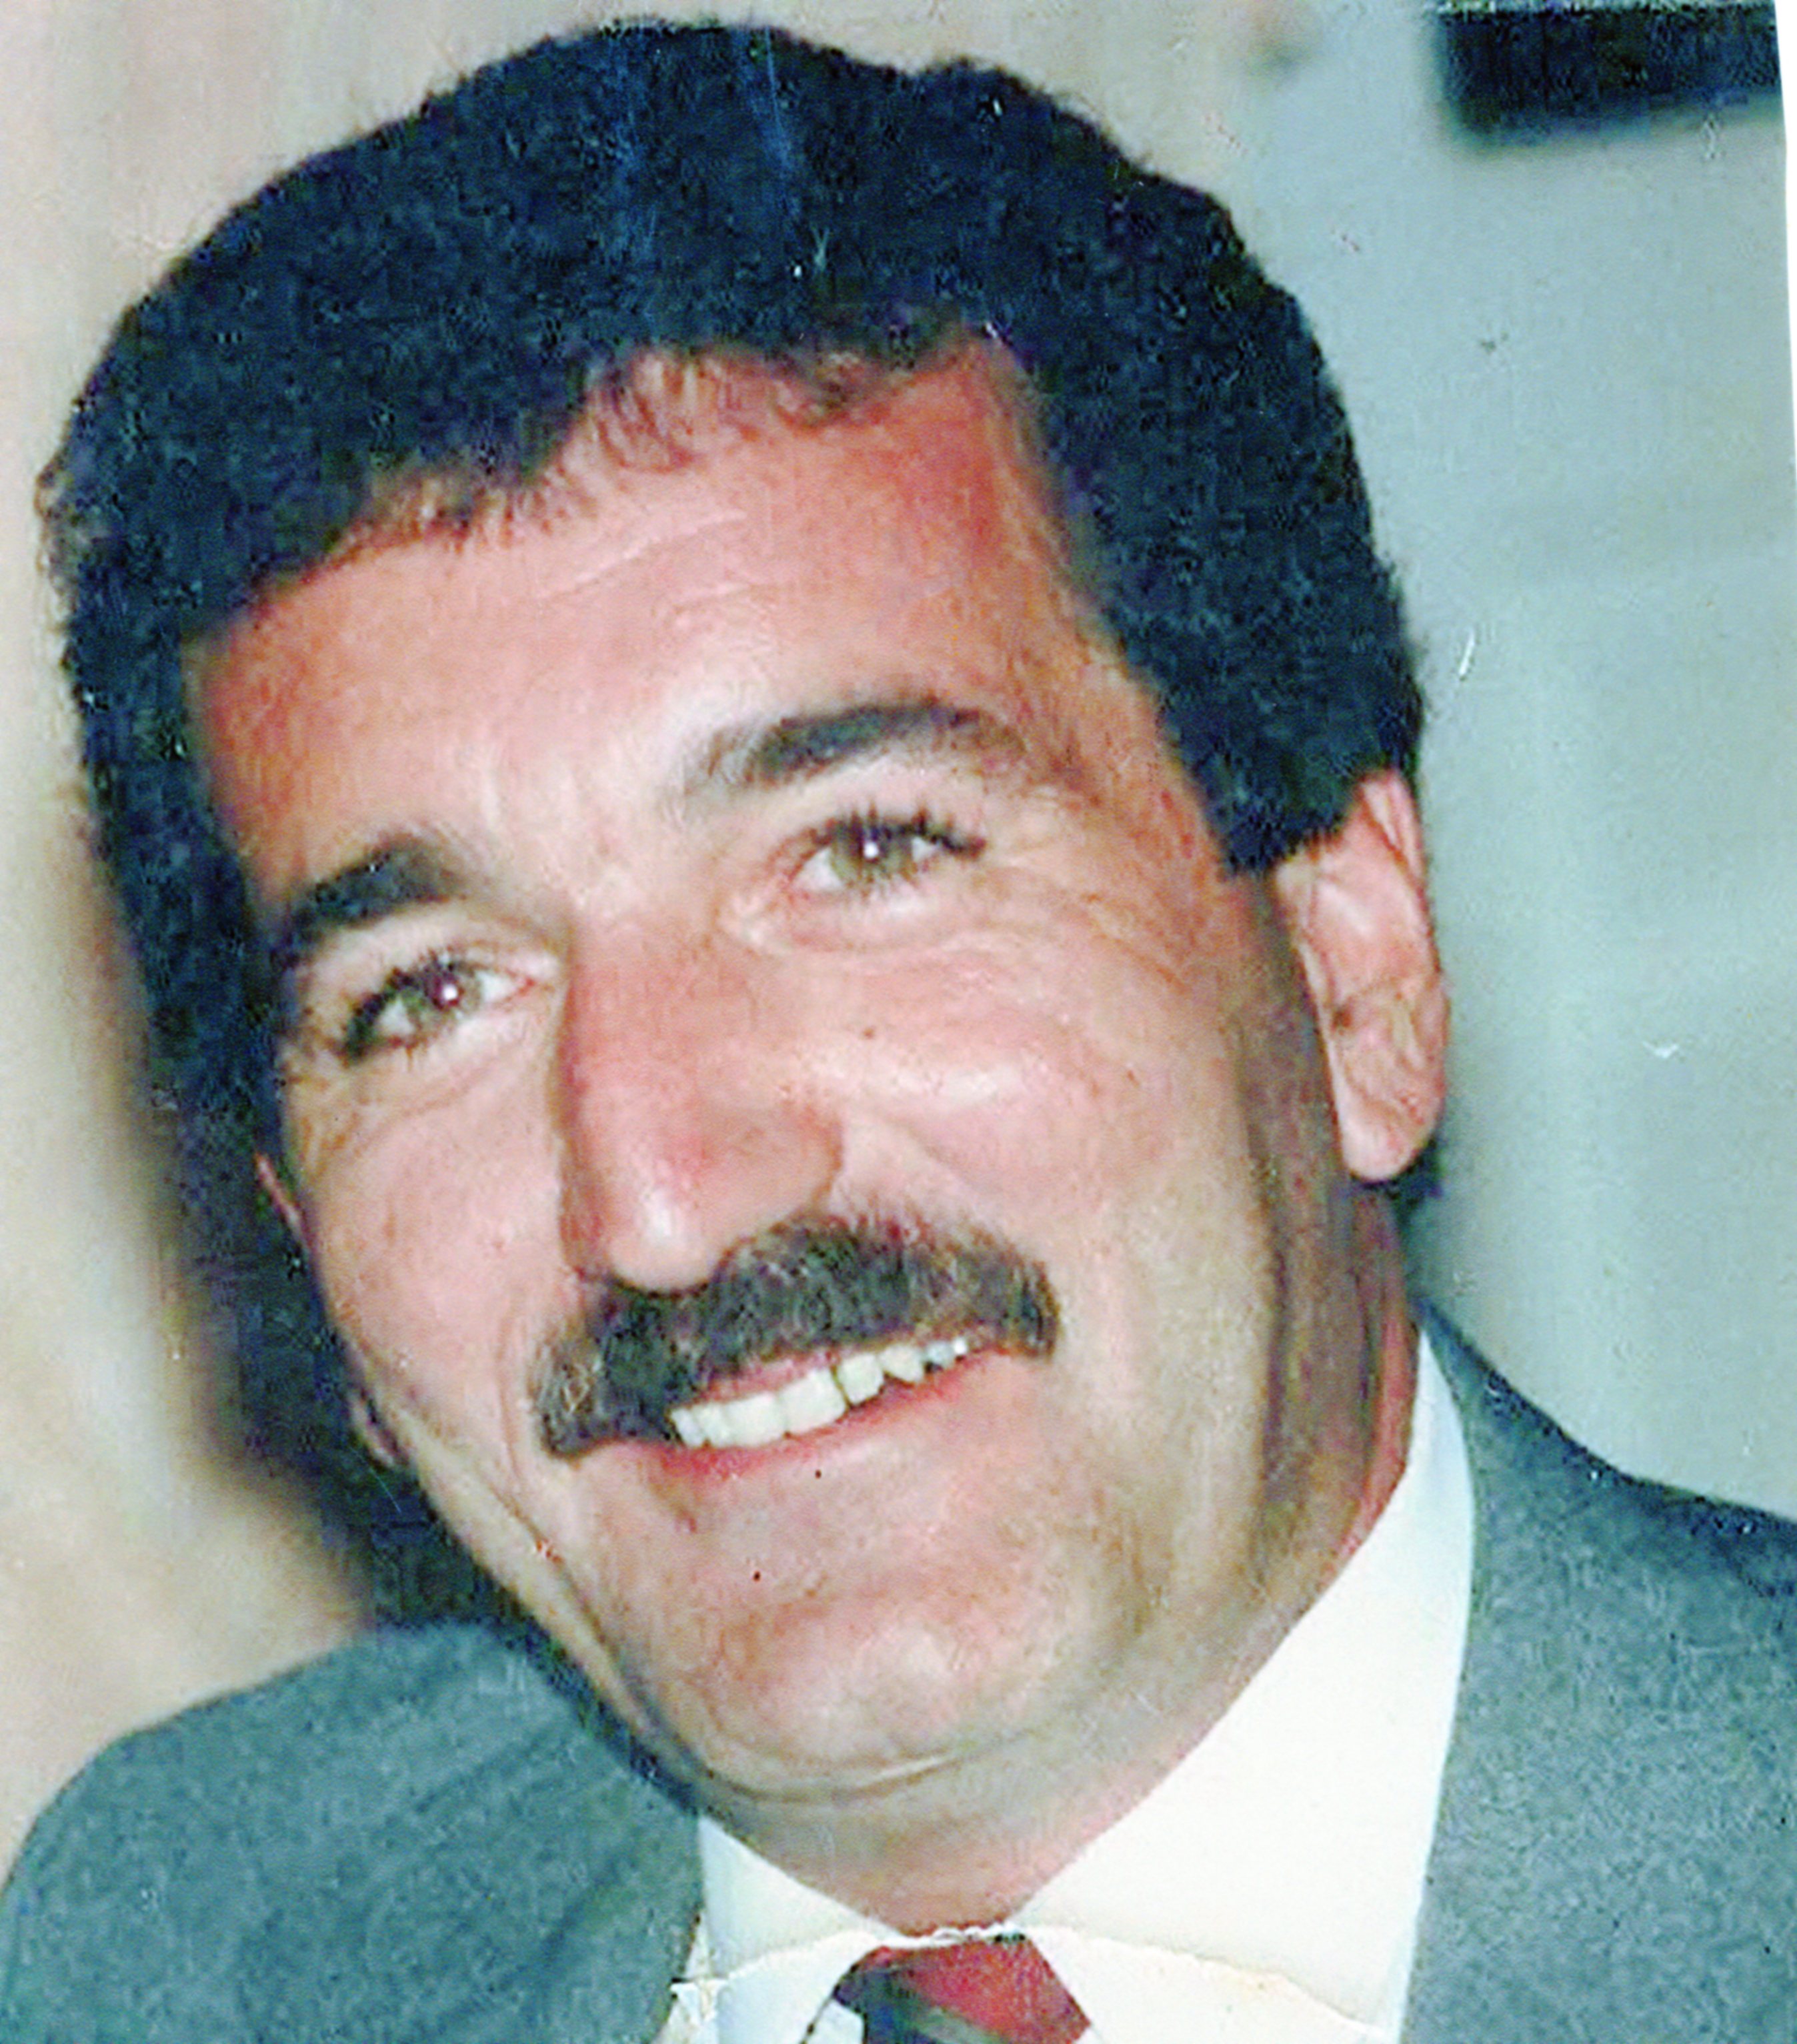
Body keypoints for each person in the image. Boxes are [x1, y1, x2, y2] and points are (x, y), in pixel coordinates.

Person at [3, 20, 1794, 2042]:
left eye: (864, 852)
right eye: (430, 994)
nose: (664, 1198)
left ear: (1350, 964)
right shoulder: (187, 1952)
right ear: (296, 1225)